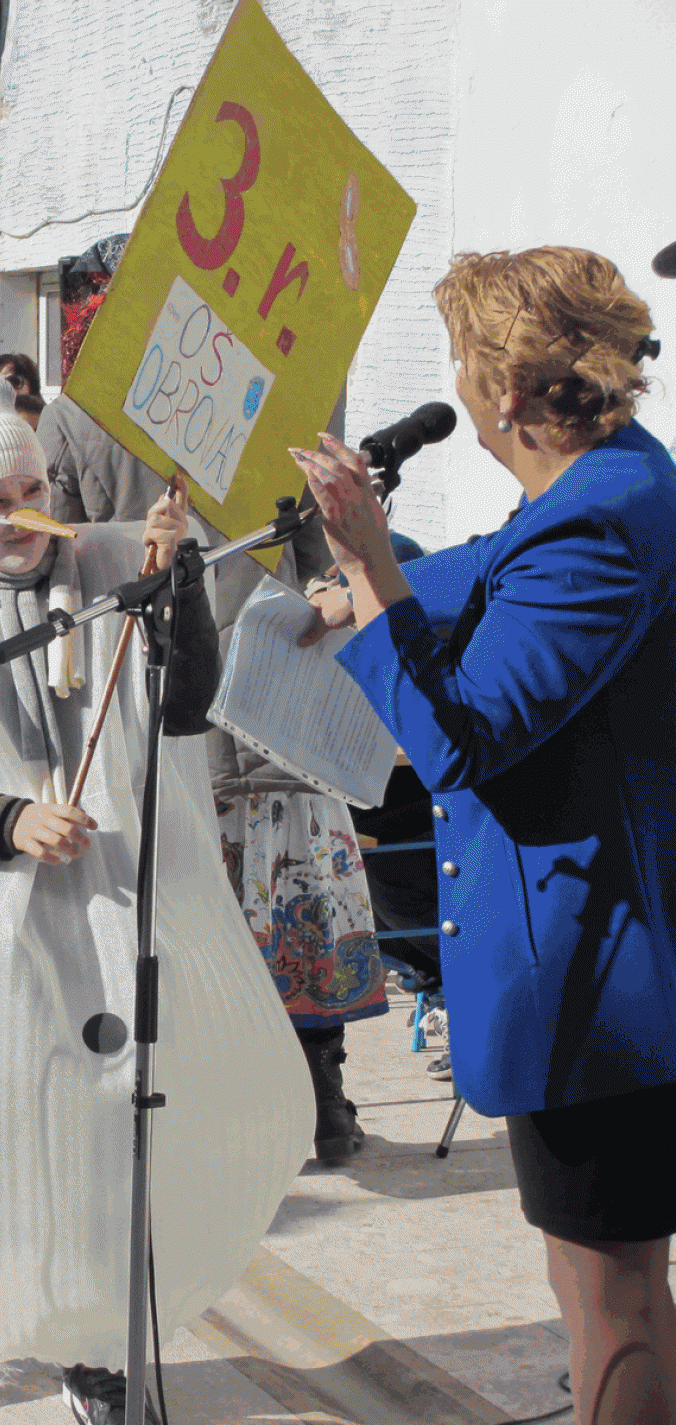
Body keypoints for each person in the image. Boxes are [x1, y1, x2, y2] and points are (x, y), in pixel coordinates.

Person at [0, 368, 308, 1416]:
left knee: (94, 1125)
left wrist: (174, 589)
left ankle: (92, 1342)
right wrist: (4, 821)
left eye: (34, 488)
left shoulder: (116, 563)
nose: (25, 513)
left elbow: (186, 707)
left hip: (105, 911)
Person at [296, 245, 676, 1425]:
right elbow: (499, 564)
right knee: (586, 1275)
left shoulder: (599, 520)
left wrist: (368, 565)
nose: (455, 382)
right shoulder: (612, 481)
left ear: (504, 389)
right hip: (586, 963)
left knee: (612, 1298)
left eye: (462, 357)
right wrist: (362, 590)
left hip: (601, 978)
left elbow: (461, 738)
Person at [40, 254, 383, 1166]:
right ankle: (278, 1099)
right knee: (247, 895)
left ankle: (300, 1095)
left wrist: (326, 586)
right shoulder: (85, 415)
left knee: (254, 895)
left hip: (237, 690)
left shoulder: (245, 398)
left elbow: (61, 561)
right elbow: (63, 561)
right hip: (194, 690)